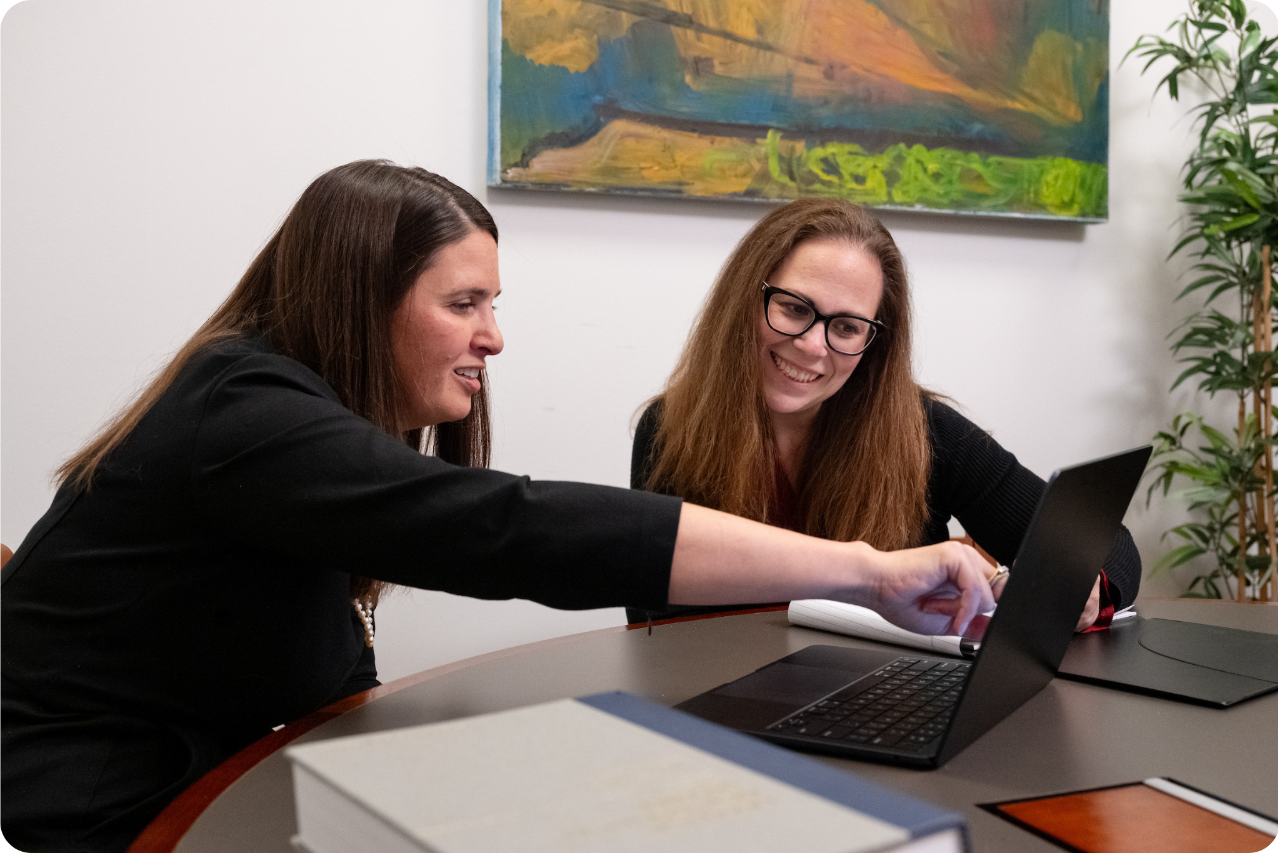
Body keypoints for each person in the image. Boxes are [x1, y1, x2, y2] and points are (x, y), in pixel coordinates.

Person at [0, 162, 996, 853]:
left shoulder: (297, 428)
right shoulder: (245, 415)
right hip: (87, 814)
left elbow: (333, 669)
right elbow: (509, 527)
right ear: (363, 298)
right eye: (463, 303)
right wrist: (867, 568)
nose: (494, 338)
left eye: (494, 304)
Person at [628, 197, 1140, 627]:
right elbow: (654, 616)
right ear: (746, 299)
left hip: (887, 708)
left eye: (847, 327)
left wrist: (1084, 586)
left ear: (874, 343)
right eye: (794, 308)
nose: (811, 345)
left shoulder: (928, 432)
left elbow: (1107, 544)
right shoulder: (670, 429)